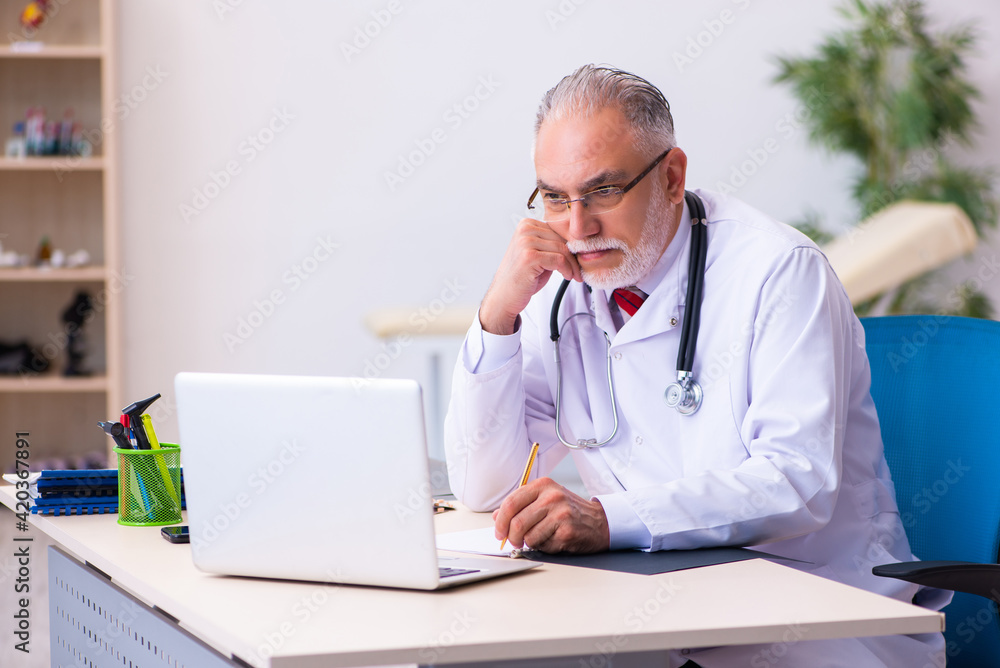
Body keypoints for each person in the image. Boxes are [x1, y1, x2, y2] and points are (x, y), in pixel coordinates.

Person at [443, 64, 949, 666]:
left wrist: (609, 520)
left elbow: (795, 482)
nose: (577, 228)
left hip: (816, 618)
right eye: (555, 197)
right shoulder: (557, 293)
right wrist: (498, 316)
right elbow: (485, 485)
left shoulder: (778, 271)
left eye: (603, 191)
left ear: (672, 177)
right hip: (656, 605)